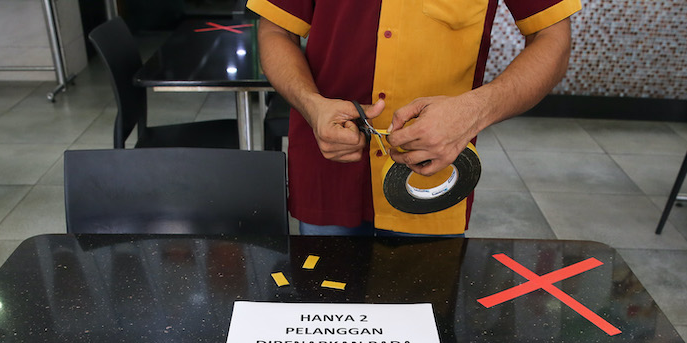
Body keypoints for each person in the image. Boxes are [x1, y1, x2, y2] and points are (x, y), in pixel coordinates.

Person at [246, 0, 580, 236]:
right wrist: (310, 103)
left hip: (434, 180)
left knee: (426, 322)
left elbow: (552, 38)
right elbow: (276, 30)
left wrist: (473, 111)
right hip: (328, 170)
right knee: (325, 317)